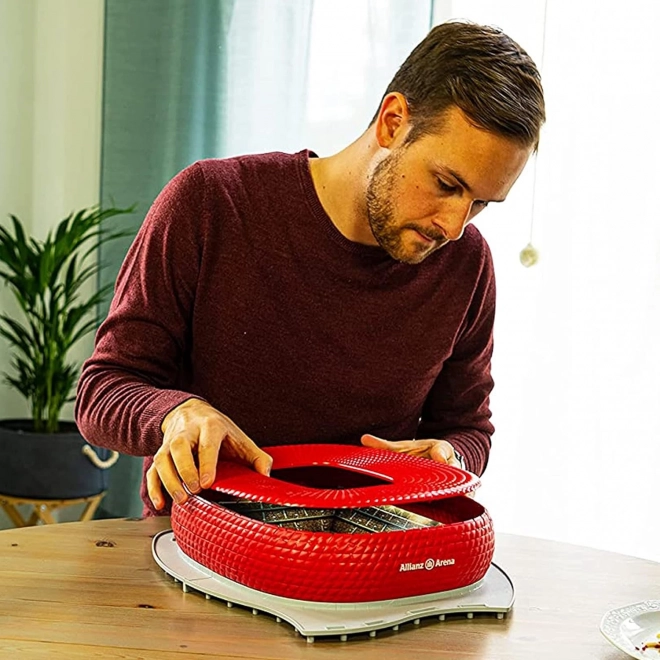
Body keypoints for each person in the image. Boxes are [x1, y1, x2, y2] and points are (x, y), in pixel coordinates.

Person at [75, 20, 545, 517]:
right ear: (392, 122)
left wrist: (448, 456)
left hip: (370, 566)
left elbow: (468, 430)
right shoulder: (213, 203)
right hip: (199, 551)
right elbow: (103, 390)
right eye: (447, 184)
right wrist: (175, 414)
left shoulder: (467, 265)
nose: (453, 226)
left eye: (480, 203)